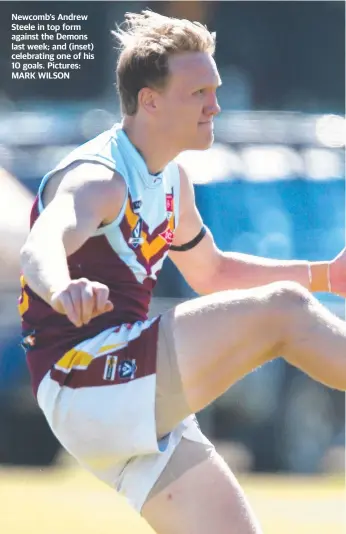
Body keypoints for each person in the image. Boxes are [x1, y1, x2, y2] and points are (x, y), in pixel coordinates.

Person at [19, 10, 346, 534]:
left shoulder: (173, 182)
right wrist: (61, 287)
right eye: (199, 93)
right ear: (150, 100)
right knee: (284, 310)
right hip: (89, 377)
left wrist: (326, 275)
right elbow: (41, 244)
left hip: (120, 387)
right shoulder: (99, 177)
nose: (216, 105)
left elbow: (212, 273)